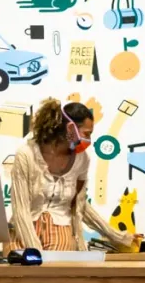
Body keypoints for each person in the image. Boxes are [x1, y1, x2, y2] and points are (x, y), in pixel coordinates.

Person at [10, 97, 134, 251]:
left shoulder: (82, 160)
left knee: (57, 270)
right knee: (20, 269)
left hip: (60, 229)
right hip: (23, 231)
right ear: (70, 128)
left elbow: (79, 205)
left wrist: (119, 237)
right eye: (87, 133)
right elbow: (20, 208)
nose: (89, 140)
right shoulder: (26, 155)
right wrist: (35, 250)